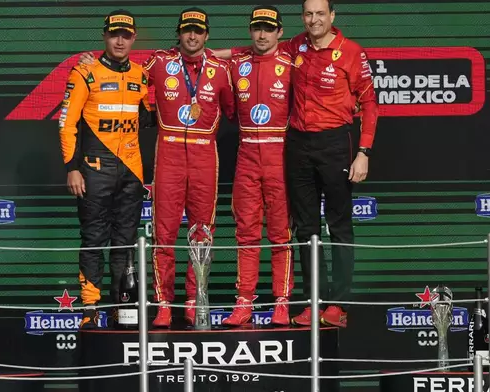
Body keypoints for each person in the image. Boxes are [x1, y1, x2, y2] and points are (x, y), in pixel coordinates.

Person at [218, 0, 379, 328]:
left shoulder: (351, 51)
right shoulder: (295, 46)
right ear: (302, 18)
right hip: (298, 144)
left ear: (332, 16)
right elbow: (248, 49)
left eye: (321, 14)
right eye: (308, 14)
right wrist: (203, 53)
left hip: (337, 142)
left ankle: (339, 304)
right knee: (305, 228)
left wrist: (364, 151)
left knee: (339, 226)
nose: (314, 19)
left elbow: (370, 102)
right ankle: (313, 303)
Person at [59, 9, 154, 329]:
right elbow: (66, 124)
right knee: (94, 238)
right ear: (105, 36)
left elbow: (149, 117)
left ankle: (120, 306)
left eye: (126, 35)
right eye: (114, 34)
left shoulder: (142, 75)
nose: (119, 40)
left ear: (133, 38)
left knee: (125, 240)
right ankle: (90, 307)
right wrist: (72, 167)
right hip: (94, 169)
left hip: (132, 171)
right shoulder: (85, 72)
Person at [144, 8, 235, 328]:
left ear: (207, 35)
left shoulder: (222, 69)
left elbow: (232, 110)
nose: (192, 36)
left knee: (202, 234)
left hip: (204, 158)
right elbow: (123, 72)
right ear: (179, 33)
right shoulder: (158, 63)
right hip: (168, 156)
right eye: (186, 31)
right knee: (164, 235)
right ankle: (164, 303)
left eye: (198, 31)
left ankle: (196, 301)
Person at [221, 5, 294, 327]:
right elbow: (200, 56)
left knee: (280, 234)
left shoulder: (292, 63)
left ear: (280, 31)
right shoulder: (236, 63)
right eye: (257, 28)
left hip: (281, 154)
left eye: (268, 28)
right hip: (247, 153)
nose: (262, 35)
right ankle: (244, 302)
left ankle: (282, 302)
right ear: (250, 31)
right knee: (246, 233)